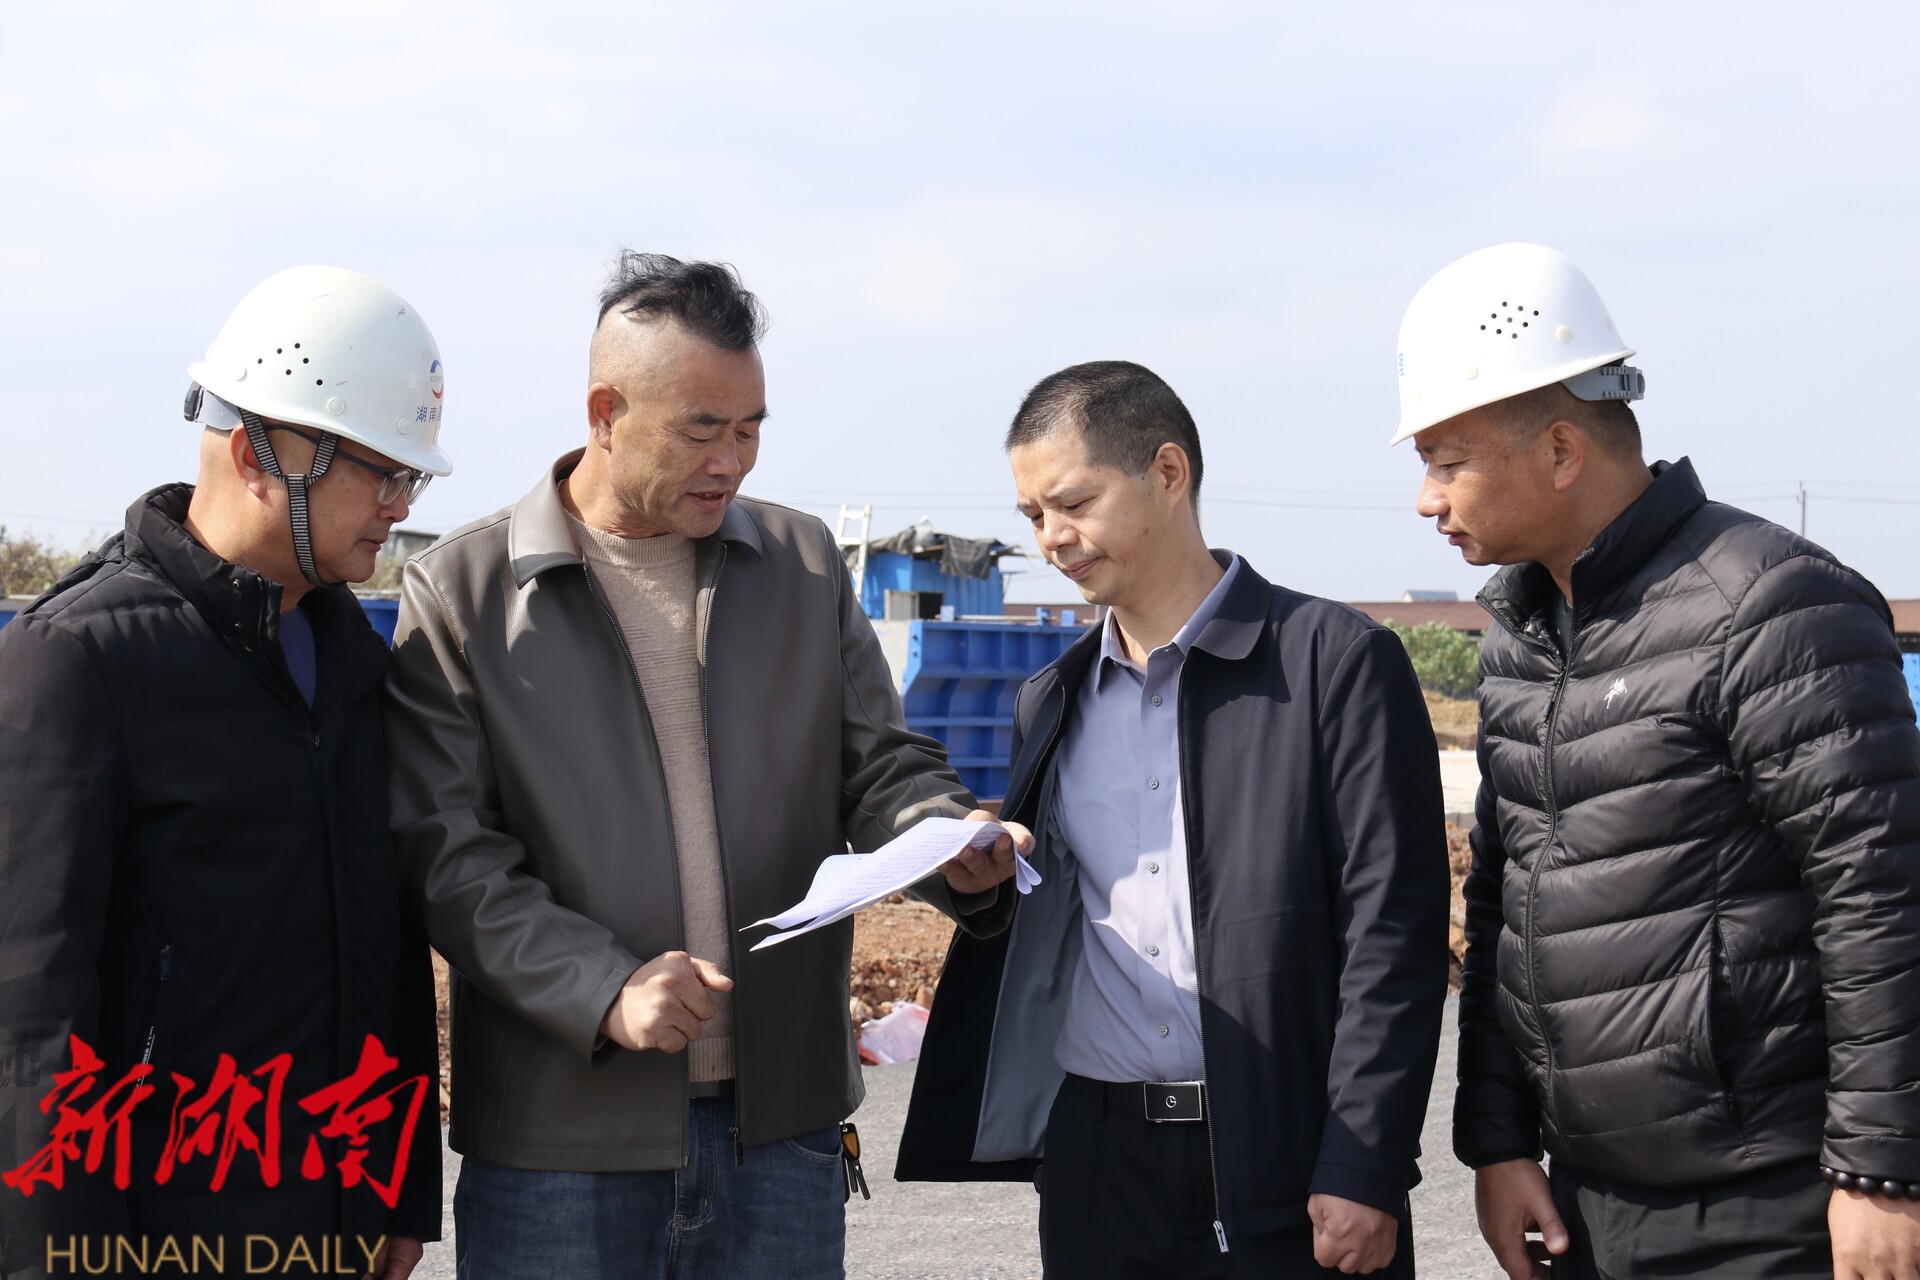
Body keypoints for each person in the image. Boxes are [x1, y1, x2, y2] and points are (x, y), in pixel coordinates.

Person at [383, 251, 1027, 1279]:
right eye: (701, 429)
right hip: (560, 1146)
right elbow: (447, 856)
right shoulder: (462, 590)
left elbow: (881, 765)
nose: (732, 461)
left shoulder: (804, 567)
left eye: (751, 428)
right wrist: (603, 988)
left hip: (780, 1136)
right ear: (605, 412)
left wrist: (945, 836)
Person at [1398, 242, 1920, 1280]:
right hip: (1591, 1198)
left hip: (1772, 1202)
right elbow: (1502, 902)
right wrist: (1500, 1142)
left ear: (1561, 450)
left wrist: (1880, 1169)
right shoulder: (1522, 640)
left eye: (1448, 463)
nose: (1427, 499)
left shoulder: (1770, 604)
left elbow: (1881, 891)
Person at [896, 360, 1450, 1278]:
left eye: (1074, 503)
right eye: (1032, 516)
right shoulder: (1051, 699)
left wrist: (1367, 1163)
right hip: (1099, 1163)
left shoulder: (1335, 664)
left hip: (1283, 1153)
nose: (1053, 539)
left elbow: (1392, 936)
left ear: (1167, 472)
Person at [0, 265, 450, 1280]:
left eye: (410, 481)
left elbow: (386, 952)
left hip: (332, 1224)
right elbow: (30, 1017)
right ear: (258, 454)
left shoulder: (356, 667)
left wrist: (397, 1191)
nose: (397, 506)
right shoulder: (81, 660)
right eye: (380, 473)